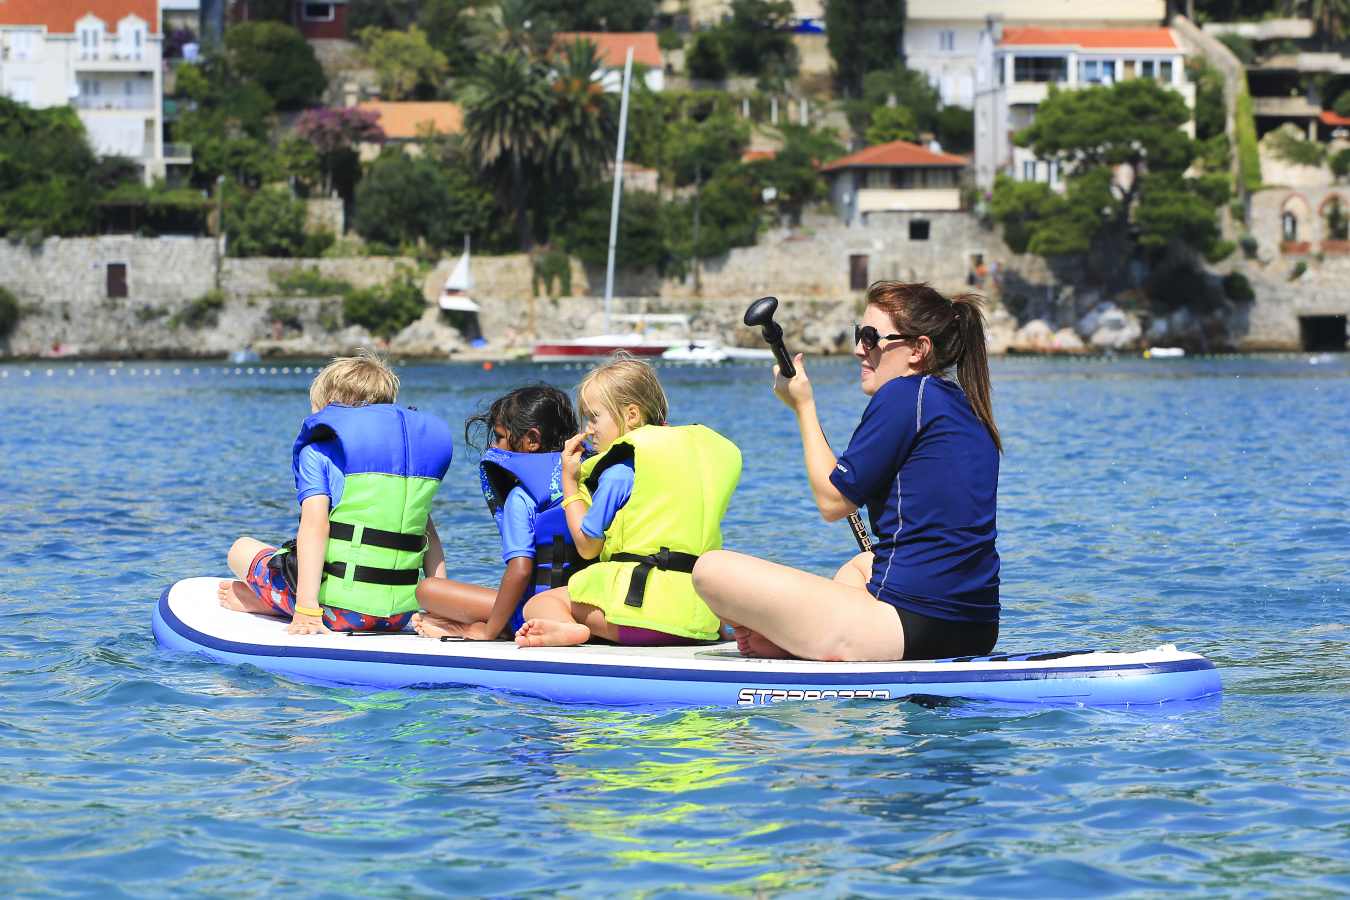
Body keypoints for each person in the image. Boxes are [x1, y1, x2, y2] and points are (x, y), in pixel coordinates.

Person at [692, 281, 1002, 661]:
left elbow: (832, 502)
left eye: (872, 338)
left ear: (918, 350)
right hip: (977, 628)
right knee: (860, 566)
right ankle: (807, 642)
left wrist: (804, 407)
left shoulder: (904, 394)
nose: (859, 348)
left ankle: (819, 646)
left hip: (915, 626)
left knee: (710, 569)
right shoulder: (964, 405)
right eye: (860, 334)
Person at [217, 350, 454, 634]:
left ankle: (270, 602)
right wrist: (440, 610)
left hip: (337, 612)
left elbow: (315, 527)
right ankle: (276, 601)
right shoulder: (407, 465)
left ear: (330, 407)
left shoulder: (318, 452)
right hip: (400, 615)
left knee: (241, 549)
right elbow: (428, 536)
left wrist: (306, 609)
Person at [515, 353, 742, 648]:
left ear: (632, 415)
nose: (588, 429)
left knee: (541, 603)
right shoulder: (689, 466)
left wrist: (570, 481)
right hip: (699, 620)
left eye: (594, 417)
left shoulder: (620, 471)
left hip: (637, 617)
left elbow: (588, 546)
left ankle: (570, 629)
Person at [412, 384, 581, 640]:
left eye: (500, 436)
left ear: (532, 440)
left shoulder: (522, 497)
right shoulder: (586, 479)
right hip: (582, 606)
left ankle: (482, 627)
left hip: (534, 610)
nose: (494, 444)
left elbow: (521, 570)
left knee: (427, 590)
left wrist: (487, 631)